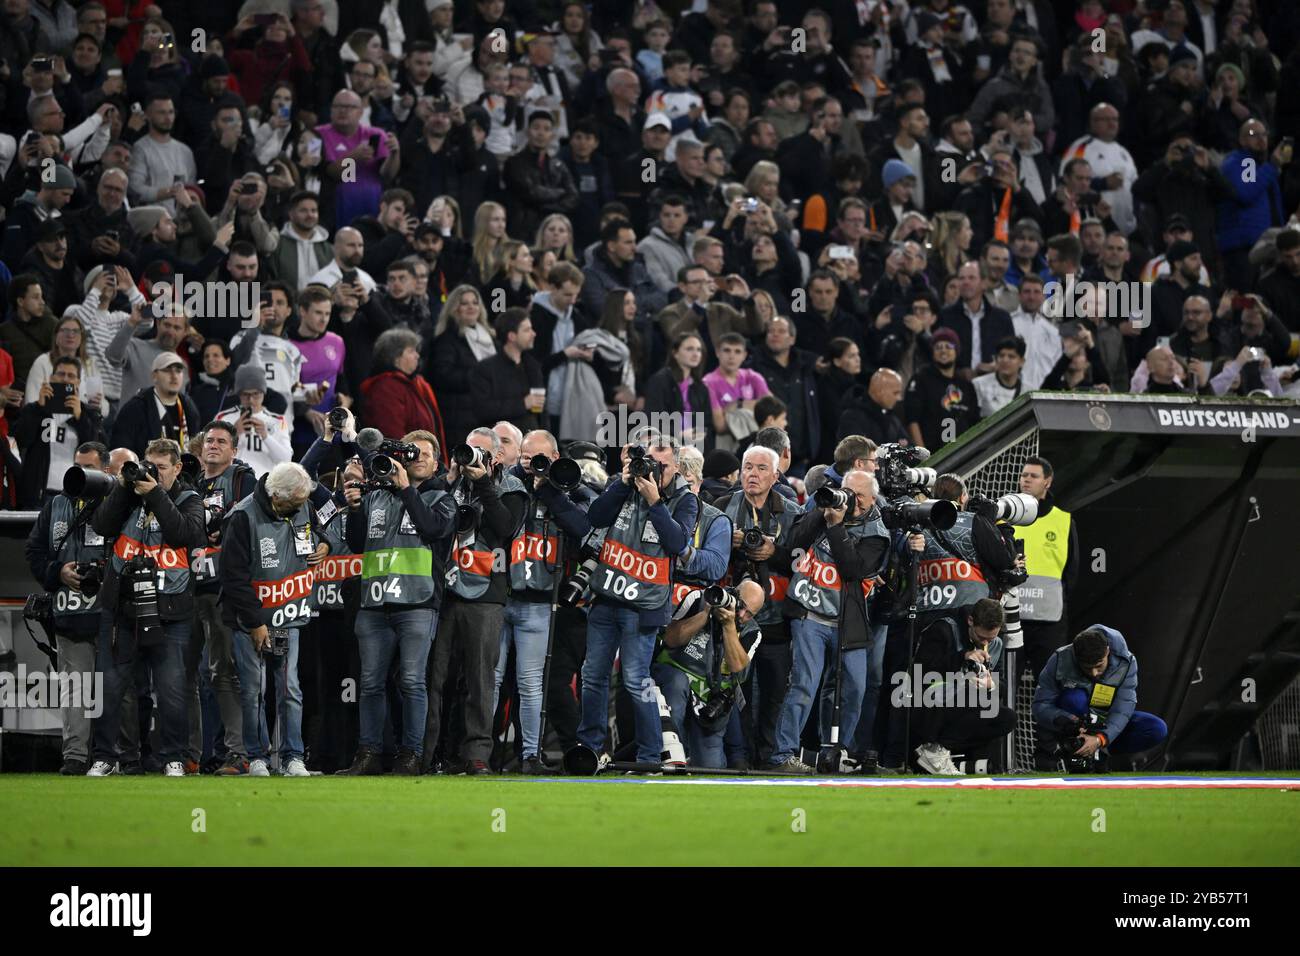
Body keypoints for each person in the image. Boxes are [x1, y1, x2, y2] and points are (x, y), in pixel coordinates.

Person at [85, 438, 207, 777]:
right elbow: (101, 526)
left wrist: (155, 493)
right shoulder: (128, 498)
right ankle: (105, 757)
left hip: (172, 612)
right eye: (148, 466)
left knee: (171, 689)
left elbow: (185, 534)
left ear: (178, 468)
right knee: (109, 686)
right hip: (121, 609)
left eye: (161, 468)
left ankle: (173, 758)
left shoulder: (190, 499)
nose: (152, 473)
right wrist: (125, 487)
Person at [578, 432, 699, 768]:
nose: (653, 468)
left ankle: (648, 756)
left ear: (676, 464)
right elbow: (596, 517)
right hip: (607, 597)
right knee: (592, 675)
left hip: (643, 606)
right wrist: (624, 482)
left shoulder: (685, 499)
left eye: (661, 463)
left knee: (635, 679)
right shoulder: (621, 484)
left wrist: (655, 502)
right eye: (647, 460)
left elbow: (677, 543)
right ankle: (590, 748)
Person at [341, 429, 457, 776]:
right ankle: (369, 753)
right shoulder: (377, 496)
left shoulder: (443, 498)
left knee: (411, 680)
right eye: (411, 452)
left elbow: (433, 529)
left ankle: (412, 754)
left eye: (424, 453)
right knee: (372, 682)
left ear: (436, 463)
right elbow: (358, 543)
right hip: (375, 603)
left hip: (417, 604)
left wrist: (406, 488)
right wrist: (355, 509)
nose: (417, 457)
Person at [220, 462, 338, 777]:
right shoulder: (242, 517)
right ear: (275, 496)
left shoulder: (302, 504)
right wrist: (256, 623)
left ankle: (292, 757)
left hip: (287, 616)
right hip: (250, 621)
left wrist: (325, 543)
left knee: (290, 688)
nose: (300, 508)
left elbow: (321, 527)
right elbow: (232, 578)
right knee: (253, 690)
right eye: (295, 503)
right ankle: (257, 757)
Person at [768, 469, 888, 774]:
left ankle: (837, 753)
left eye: (858, 495)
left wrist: (835, 527)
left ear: (873, 499)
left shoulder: (878, 533)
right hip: (809, 614)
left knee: (855, 688)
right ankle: (783, 755)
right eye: (847, 490)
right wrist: (821, 514)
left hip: (849, 622)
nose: (851, 499)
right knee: (804, 684)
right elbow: (795, 542)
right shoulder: (823, 508)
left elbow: (852, 569)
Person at [425, 426, 527, 774]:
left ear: (497, 456)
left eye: (480, 451)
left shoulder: (511, 487)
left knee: (480, 679)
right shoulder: (450, 484)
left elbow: (505, 527)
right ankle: (429, 752)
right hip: (445, 593)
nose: (472, 458)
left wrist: (483, 483)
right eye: (467, 450)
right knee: (435, 678)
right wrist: (450, 478)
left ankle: (476, 755)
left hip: (486, 595)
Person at [493, 428, 594, 773]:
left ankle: (530, 756)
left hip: (539, 603)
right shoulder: (507, 485)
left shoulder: (569, 488)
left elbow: (586, 528)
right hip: (499, 599)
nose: (531, 465)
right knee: (491, 680)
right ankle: (480, 755)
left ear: (555, 459)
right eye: (525, 459)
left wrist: (550, 492)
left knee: (531, 683)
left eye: (540, 459)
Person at [24, 441, 111, 775]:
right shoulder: (56, 504)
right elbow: (34, 552)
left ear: (104, 470)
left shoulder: (116, 504)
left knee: (116, 688)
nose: (79, 474)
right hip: (69, 612)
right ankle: (74, 756)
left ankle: (114, 756)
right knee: (73, 686)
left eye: (87, 467)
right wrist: (57, 572)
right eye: (76, 466)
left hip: (107, 612)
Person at [713, 444, 800, 767]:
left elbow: (804, 562)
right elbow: (706, 558)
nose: (753, 474)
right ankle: (741, 756)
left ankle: (770, 757)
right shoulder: (722, 506)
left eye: (762, 468)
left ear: (776, 476)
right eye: (748, 467)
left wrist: (774, 552)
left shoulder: (791, 512)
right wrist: (727, 543)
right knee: (739, 690)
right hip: (735, 618)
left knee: (776, 692)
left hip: (777, 618)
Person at [188, 421, 256, 775]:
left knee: (225, 672)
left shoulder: (243, 480)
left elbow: (255, 524)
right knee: (189, 675)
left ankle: (238, 753)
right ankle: (193, 754)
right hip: (186, 587)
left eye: (221, 442)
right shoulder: (190, 484)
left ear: (234, 450)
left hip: (222, 590)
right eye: (209, 441)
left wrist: (223, 528)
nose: (213, 446)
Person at [654, 578, 765, 769]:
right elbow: (670, 639)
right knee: (677, 682)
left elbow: (739, 669)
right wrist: (706, 614)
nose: (741, 614)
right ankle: (671, 755)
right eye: (742, 606)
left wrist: (729, 626)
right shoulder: (698, 599)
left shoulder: (753, 631)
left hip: (709, 698)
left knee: (710, 767)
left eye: (749, 614)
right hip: (673, 677)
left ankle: (688, 759)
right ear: (733, 592)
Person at [1033, 625, 1168, 772]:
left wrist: (1100, 739)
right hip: (1071, 727)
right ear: (1075, 656)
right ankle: (1077, 755)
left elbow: (1123, 709)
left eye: (1099, 665)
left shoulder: (1126, 662)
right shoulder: (1060, 659)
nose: (1093, 673)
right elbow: (1041, 705)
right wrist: (1067, 720)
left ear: (1108, 652)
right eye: (1086, 667)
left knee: (1156, 728)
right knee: (1074, 699)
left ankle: (1100, 755)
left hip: (1105, 725)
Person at [907, 598, 1017, 774]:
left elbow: (1001, 683)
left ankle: (940, 749)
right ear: (970, 621)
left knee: (1007, 718)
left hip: (965, 705)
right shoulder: (943, 629)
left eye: (991, 638)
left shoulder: (995, 642)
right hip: (928, 705)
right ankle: (931, 749)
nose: (985, 643)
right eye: (981, 637)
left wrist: (991, 684)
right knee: (969, 691)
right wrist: (963, 657)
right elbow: (921, 671)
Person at [1014, 456, 1078, 681]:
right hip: (1013, 619)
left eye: (1033, 476)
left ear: (1047, 481)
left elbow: (1072, 571)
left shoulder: (1063, 520)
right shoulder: (1006, 518)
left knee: (1050, 684)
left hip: (1049, 621)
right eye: (1024, 475)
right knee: (1005, 684)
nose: (1026, 480)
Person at [13, 356, 105, 508]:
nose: (65, 379)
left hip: (74, 494)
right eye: (61, 374)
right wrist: (39, 409)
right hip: (38, 494)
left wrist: (80, 418)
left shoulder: (89, 414)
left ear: (78, 382)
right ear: (51, 378)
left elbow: (97, 452)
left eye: (71, 376)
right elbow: (22, 440)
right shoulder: (33, 409)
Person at [214, 366, 293, 479]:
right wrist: (234, 433)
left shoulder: (278, 421)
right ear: (239, 394)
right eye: (246, 394)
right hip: (232, 482)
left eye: (256, 394)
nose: (251, 400)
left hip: (266, 483)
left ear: (263, 393)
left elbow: (286, 459)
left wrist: (266, 437)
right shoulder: (223, 417)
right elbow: (213, 454)